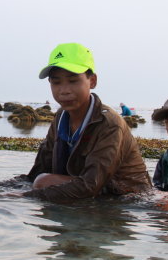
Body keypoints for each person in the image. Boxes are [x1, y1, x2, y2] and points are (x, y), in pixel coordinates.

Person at [13, 43, 152, 203]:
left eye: (73, 81)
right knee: (41, 181)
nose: (64, 90)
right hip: (92, 197)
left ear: (92, 81)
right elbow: (35, 174)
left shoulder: (109, 124)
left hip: (129, 201)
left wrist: (22, 198)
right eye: (56, 82)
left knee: (44, 182)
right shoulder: (60, 118)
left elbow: (90, 185)